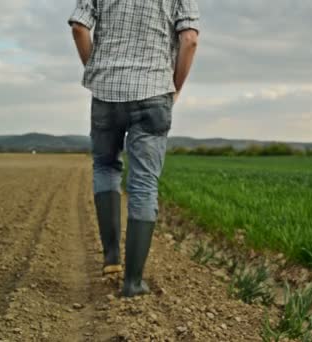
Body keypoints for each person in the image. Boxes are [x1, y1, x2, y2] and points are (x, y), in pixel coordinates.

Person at [68, 0, 200, 297]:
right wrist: (174, 87)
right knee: (143, 183)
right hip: (155, 91)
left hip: (106, 92)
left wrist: (98, 71)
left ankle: (111, 258)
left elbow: (79, 28)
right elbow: (189, 39)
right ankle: (133, 282)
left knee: (105, 166)